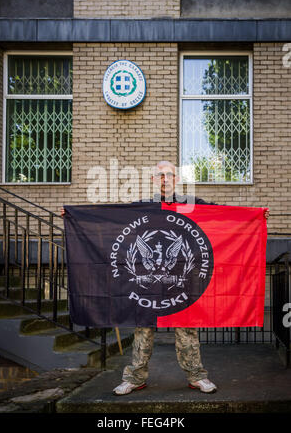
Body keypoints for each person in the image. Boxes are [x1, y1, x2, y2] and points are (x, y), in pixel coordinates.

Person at [60, 161, 270, 396]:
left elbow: (222, 215)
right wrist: (74, 216)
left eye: (169, 174)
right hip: (147, 286)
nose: (164, 178)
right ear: (153, 179)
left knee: (187, 329)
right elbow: (112, 219)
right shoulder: (142, 207)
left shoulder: (191, 205)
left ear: (176, 179)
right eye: (159, 175)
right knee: (143, 330)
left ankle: (197, 377)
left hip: (182, 282)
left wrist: (255, 216)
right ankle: (134, 378)